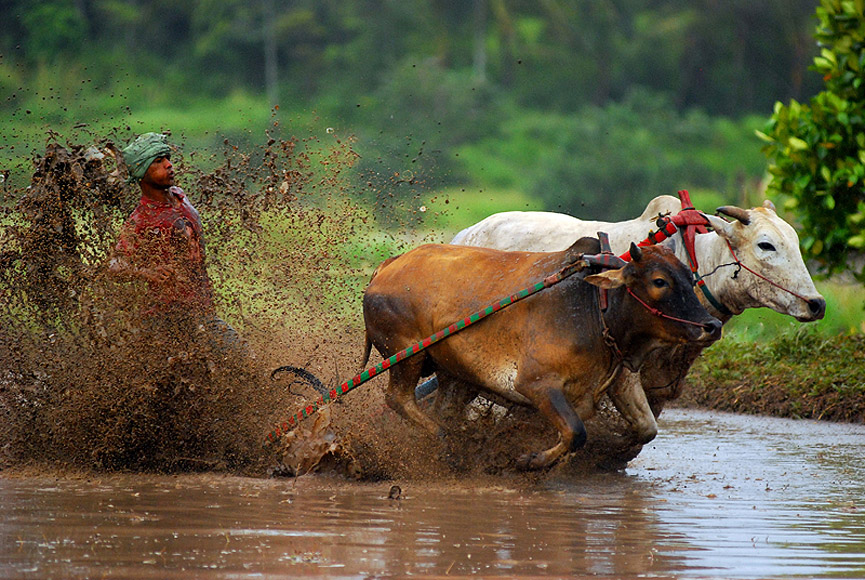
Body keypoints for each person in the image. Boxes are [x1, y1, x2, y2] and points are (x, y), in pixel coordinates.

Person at [109, 132, 245, 369]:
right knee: (242, 358)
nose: (169, 165)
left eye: (167, 158)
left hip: (201, 309)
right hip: (170, 319)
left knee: (229, 369)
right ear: (142, 172)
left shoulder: (180, 196)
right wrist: (147, 273)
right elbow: (114, 266)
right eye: (159, 161)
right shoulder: (141, 220)